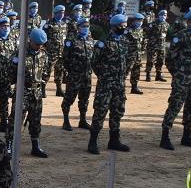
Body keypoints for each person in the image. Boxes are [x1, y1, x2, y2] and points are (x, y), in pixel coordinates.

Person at [87, 13, 131, 154]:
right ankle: (93, 142)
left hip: (120, 85)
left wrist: (122, 75)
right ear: (113, 27)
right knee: (100, 112)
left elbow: (127, 60)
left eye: (125, 25)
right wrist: (104, 76)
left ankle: (114, 141)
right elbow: (94, 62)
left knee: (117, 112)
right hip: (106, 85)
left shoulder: (125, 41)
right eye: (121, 26)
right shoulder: (103, 42)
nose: (123, 28)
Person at [160, 10, 191, 150]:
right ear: (190, 22)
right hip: (182, 80)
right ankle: (165, 137)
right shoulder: (180, 36)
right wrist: (177, 74)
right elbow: (169, 58)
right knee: (175, 106)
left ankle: (186, 136)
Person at [15, 27, 51, 158]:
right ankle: (10, 146)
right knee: (16, 120)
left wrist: (42, 84)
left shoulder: (43, 55)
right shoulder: (20, 54)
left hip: (37, 93)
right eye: (37, 44)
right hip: (22, 92)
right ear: (30, 41)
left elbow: (46, 71)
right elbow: (11, 71)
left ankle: (35, 146)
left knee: (36, 120)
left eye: (41, 44)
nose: (39, 46)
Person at [61, 16, 94, 131]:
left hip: (87, 75)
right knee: (69, 98)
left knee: (84, 99)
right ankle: (66, 121)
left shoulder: (90, 40)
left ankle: (82, 120)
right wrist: (72, 70)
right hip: (75, 75)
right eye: (83, 26)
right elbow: (65, 58)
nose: (86, 28)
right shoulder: (71, 41)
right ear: (78, 28)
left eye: (87, 26)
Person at [146, 9, 169, 82]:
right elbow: (147, 33)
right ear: (158, 16)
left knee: (160, 60)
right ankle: (148, 75)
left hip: (162, 45)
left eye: (165, 15)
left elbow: (167, 34)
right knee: (151, 60)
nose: (163, 16)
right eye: (162, 15)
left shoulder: (167, 24)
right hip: (153, 45)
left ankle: (158, 75)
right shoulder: (152, 24)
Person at [126, 12, 145, 94]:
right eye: (138, 20)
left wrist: (142, 51)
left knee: (136, 71)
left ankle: (134, 87)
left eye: (141, 20)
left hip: (138, 55)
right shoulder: (127, 31)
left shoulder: (140, 30)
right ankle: (120, 87)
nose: (140, 22)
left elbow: (143, 41)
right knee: (125, 71)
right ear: (134, 20)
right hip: (129, 55)